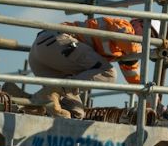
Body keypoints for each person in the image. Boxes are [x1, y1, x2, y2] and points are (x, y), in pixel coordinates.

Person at [25, 17, 159, 118]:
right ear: (135, 21)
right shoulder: (124, 26)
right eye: (146, 30)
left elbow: (135, 80)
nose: (146, 37)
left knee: (75, 112)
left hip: (49, 59)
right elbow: (128, 41)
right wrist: (140, 50)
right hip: (57, 41)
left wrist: (152, 102)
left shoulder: (124, 51)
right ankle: (51, 93)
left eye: (151, 37)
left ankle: (27, 103)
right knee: (108, 74)